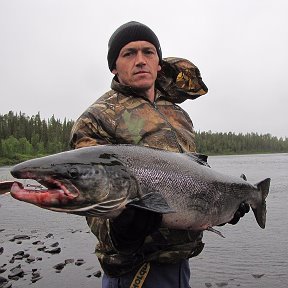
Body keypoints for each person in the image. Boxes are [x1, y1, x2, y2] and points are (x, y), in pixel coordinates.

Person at [69, 21, 249, 288]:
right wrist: (120, 233)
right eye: (129, 53)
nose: (140, 60)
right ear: (114, 67)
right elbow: (88, 197)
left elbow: (194, 175)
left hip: (180, 265)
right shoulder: (95, 119)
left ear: (158, 64)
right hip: (135, 271)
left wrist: (223, 205)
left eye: (148, 52)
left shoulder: (179, 115)